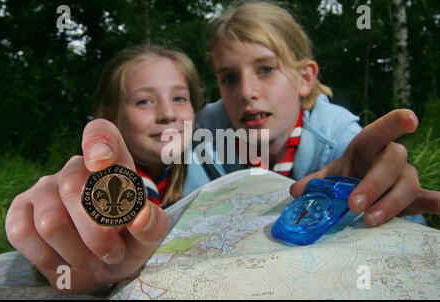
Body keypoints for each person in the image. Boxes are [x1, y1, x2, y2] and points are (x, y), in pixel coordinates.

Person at [183, 0, 439, 227]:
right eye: (229, 77)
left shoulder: (343, 143)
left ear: (304, 78)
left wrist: (388, 203)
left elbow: (407, 224)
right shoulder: (204, 134)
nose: (246, 91)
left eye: (266, 69)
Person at [5, 44, 202, 294]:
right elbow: (66, 264)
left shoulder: (207, 164)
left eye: (179, 98)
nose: (167, 113)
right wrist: (87, 262)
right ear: (109, 117)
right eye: (144, 101)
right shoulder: (102, 180)